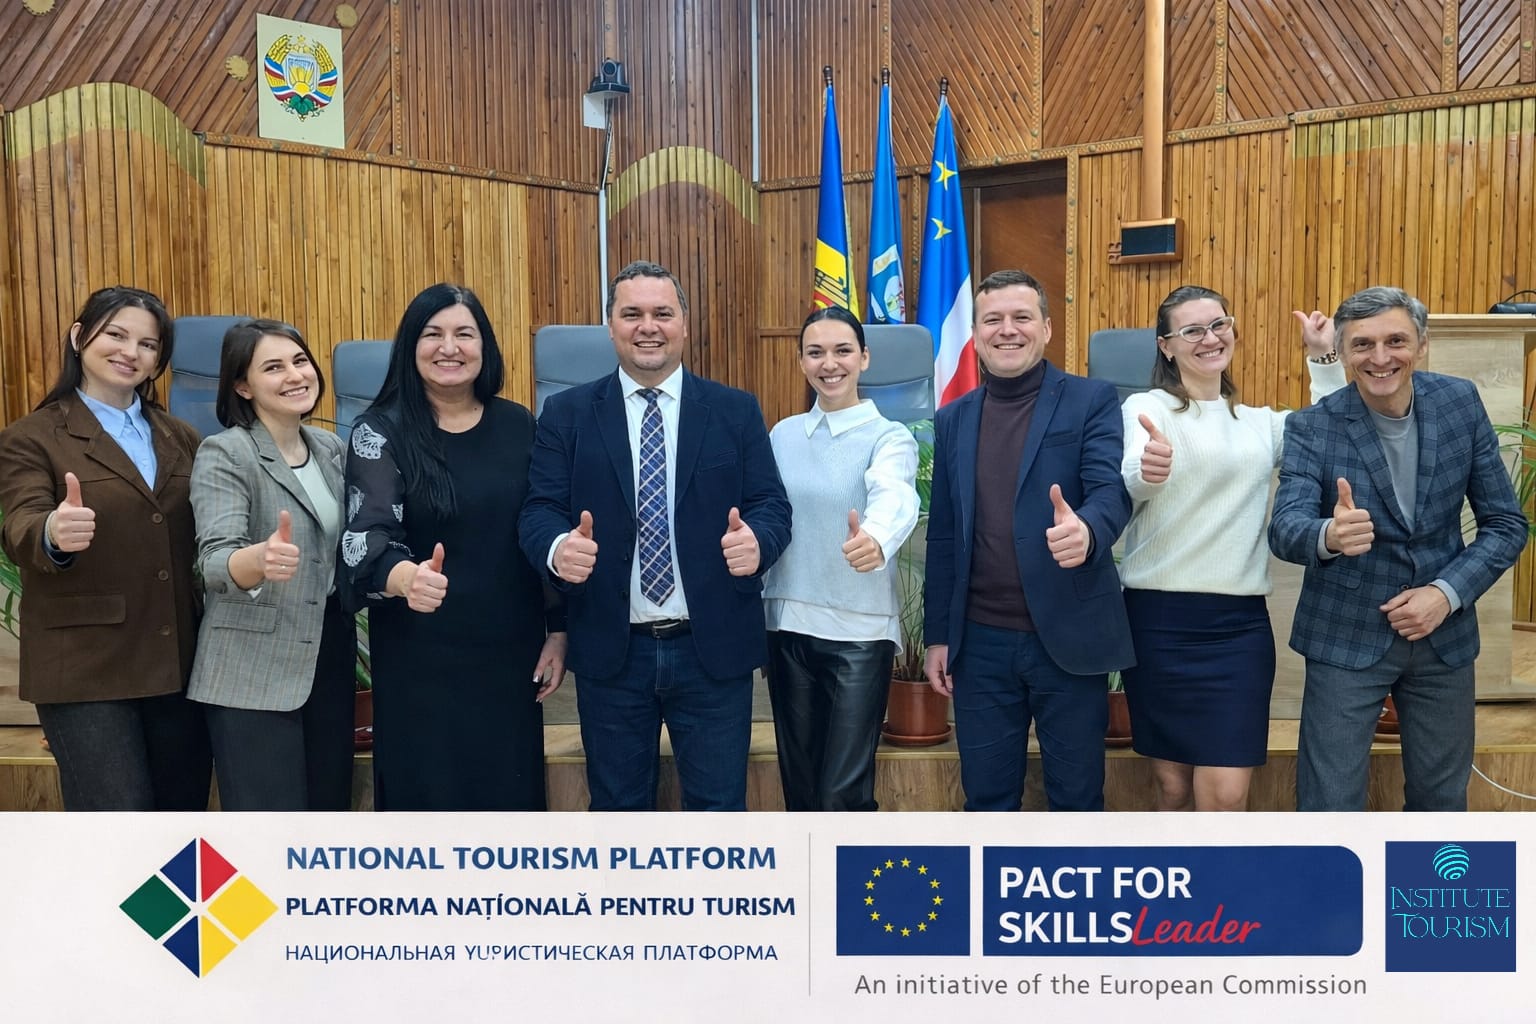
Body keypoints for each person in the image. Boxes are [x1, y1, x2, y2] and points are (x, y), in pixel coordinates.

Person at [520, 260, 792, 811]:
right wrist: (558, 548)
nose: (648, 326)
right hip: (612, 651)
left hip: (712, 650)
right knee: (618, 814)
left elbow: (771, 506)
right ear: (611, 326)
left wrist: (758, 542)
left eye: (662, 313)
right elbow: (538, 510)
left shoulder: (735, 410)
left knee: (719, 815)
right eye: (632, 314)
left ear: (684, 325)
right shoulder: (566, 414)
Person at [1269, 286, 1527, 811]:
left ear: (1422, 344)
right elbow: (1286, 527)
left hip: (1443, 637)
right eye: (1363, 344)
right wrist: (1329, 535)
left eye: (1396, 341)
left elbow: (1505, 524)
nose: (1380, 357)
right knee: (1328, 804)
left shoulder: (1460, 402)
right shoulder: (1312, 426)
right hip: (1344, 637)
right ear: (1342, 352)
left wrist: (1446, 593)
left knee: (1441, 803)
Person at [341, 283, 566, 811]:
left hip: (509, 655)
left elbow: (538, 529)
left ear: (484, 346)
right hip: (420, 653)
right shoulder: (381, 430)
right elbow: (366, 535)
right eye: (432, 334)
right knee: (428, 809)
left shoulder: (518, 424)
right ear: (410, 346)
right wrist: (406, 578)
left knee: (508, 807)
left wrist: (558, 631)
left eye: (464, 333)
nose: (449, 347)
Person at [1118, 286, 1344, 811]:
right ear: (1166, 346)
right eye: (1192, 330)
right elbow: (1135, 470)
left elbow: (1331, 429)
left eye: (1219, 324)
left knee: (1225, 794)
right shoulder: (1147, 408)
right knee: (1173, 788)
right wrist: (1148, 471)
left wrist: (1323, 357)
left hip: (1236, 629)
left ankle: (1219, 870)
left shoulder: (1261, 425)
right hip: (1157, 622)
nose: (1210, 338)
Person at [923, 269, 1133, 812]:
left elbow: (1109, 491)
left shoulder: (1091, 399)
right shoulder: (952, 419)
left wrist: (1087, 530)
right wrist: (938, 637)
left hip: (1069, 635)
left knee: (1076, 801)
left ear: (1046, 327)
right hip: (979, 644)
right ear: (976, 333)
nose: (1007, 330)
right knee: (986, 801)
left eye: (1021, 317)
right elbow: (944, 534)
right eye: (992, 319)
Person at [0, 285, 211, 810]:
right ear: (79, 337)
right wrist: (52, 532)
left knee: (179, 827)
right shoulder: (32, 436)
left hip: (178, 663)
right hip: (85, 669)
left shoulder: (183, 437)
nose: (130, 352)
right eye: (116, 335)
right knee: (115, 826)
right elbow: (20, 524)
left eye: (148, 344)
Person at [187, 320, 354, 811]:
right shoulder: (226, 452)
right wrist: (258, 560)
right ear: (243, 386)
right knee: (267, 832)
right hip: (251, 670)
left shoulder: (330, 449)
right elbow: (213, 561)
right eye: (274, 367)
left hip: (327, 656)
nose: (295, 375)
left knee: (326, 818)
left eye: (300, 361)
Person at [763, 306, 919, 811]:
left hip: (859, 632)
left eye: (842, 350)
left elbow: (895, 493)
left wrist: (875, 536)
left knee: (841, 795)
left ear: (864, 358)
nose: (829, 364)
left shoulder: (888, 437)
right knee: (801, 789)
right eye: (815, 352)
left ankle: (849, 867)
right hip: (787, 624)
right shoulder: (782, 435)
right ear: (801, 362)